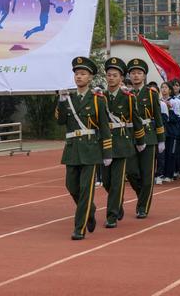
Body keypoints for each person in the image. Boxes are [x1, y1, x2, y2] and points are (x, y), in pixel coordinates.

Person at [56, 56, 112, 240]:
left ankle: (79, 228)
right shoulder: (69, 98)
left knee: (86, 189)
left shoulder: (97, 100)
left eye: (83, 74)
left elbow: (104, 128)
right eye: (77, 74)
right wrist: (61, 101)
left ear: (90, 78)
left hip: (90, 149)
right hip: (72, 148)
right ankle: (91, 209)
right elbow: (60, 121)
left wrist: (107, 152)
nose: (79, 77)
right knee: (71, 185)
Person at [102, 57, 145, 228]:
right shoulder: (100, 97)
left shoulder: (127, 97)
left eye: (115, 75)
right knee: (106, 181)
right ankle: (117, 204)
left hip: (121, 142)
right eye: (109, 75)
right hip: (104, 143)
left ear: (121, 78)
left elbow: (136, 119)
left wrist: (140, 140)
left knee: (117, 181)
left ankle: (111, 215)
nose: (111, 78)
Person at [126, 59, 165, 218]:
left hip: (148, 135)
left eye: (139, 73)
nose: (136, 76)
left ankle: (143, 207)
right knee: (131, 172)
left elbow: (157, 116)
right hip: (131, 137)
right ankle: (142, 195)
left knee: (147, 174)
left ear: (144, 76)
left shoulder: (151, 93)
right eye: (133, 73)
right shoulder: (126, 94)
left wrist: (161, 138)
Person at [159, 82, 180, 183]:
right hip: (161, 132)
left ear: (170, 90)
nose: (164, 89)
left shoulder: (175, 102)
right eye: (162, 87)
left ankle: (169, 174)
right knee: (162, 154)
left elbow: (177, 118)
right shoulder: (158, 101)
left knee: (171, 153)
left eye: (166, 87)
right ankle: (161, 173)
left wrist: (169, 110)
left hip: (172, 132)